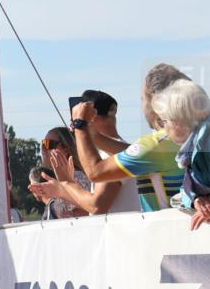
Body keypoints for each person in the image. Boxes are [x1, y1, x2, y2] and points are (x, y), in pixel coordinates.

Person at [70, 64, 188, 212]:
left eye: (142, 99)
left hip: (164, 233)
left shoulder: (156, 145)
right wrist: (92, 135)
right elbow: (132, 151)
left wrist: (79, 125)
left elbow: (95, 172)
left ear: (155, 102)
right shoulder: (197, 137)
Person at [151, 79, 210, 230]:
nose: (164, 128)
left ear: (178, 121)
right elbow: (186, 188)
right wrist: (197, 200)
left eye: (164, 121)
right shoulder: (196, 146)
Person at [39, 127, 89, 218]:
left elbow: (85, 213)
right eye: (43, 144)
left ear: (65, 149)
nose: (44, 149)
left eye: (49, 144)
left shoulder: (77, 176)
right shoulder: (57, 178)